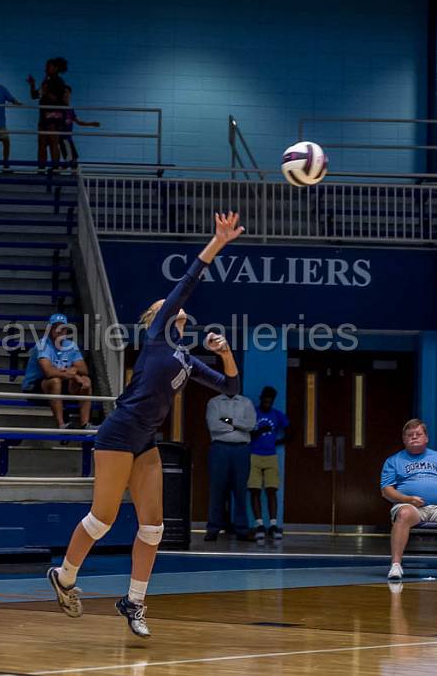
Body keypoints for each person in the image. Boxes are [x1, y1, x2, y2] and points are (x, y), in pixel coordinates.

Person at [46, 211, 244, 638]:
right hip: (118, 433)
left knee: (153, 527)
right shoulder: (157, 334)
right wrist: (218, 242)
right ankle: (64, 577)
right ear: (158, 314)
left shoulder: (186, 359)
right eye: (164, 304)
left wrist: (225, 352)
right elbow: (188, 279)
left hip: (144, 441)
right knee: (102, 519)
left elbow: (230, 386)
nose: (171, 305)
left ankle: (134, 601)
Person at [380, 419, 437, 583]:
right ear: (404, 439)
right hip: (410, 506)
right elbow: (386, 490)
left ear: (426, 438)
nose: (414, 437)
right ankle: (396, 565)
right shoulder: (394, 460)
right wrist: (406, 499)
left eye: (418, 434)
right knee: (403, 513)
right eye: (410, 435)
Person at [21, 313, 94, 430]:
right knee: (55, 381)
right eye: (56, 327)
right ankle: (61, 425)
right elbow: (48, 372)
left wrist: (72, 372)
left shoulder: (71, 345)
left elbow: (84, 369)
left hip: (60, 383)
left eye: (63, 328)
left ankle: (85, 425)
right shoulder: (43, 344)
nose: (59, 331)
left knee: (86, 380)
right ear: (50, 329)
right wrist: (70, 373)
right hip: (35, 385)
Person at [205, 391, 256, 542]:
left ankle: (242, 529)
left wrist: (228, 421)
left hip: (241, 450)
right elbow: (213, 425)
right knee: (217, 490)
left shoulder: (246, 403)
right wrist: (238, 425)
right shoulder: (214, 402)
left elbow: (251, 424)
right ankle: (213, 529)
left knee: (240, 490)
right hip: (220, 448)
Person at [248, 386, 290, 542]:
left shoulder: (277, 415)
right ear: (261, 400)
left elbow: (289, 430)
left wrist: (277, 442)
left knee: (271, 490)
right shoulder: (254, 413)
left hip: (271, 456)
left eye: (269, 402)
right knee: (254, 490)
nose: (267, 404)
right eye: (265, 401)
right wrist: (260, 431)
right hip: (254, 455)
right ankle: (259, 524)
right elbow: (248, 434)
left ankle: (273, 524)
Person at [27, 57, 68, 168]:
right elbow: (35, 95)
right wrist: (32, 84)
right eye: (46, 67)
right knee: (42, 143)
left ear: (55, 68)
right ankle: (41, 168)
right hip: (43, 115)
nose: (45, 69)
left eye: (48, 67)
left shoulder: (59, 82)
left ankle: (55, 168)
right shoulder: (46, 80)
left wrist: (46, 92)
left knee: (53, 142)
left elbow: (57, 99)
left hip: (54, 115)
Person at [59, 89, 100, 166]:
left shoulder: (70, 109)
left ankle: (64, 170)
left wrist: (91, 124)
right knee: (71, 159)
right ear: (61, 96)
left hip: (69, 138)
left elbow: (79, 122)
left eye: (68, 94)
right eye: (65, 94)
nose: (66, 96)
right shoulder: (60, 109)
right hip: (63, 138)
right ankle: (60, 171)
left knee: (72, 158)